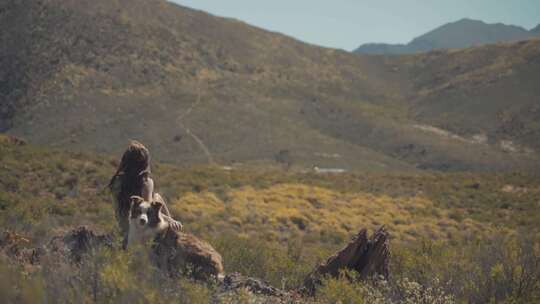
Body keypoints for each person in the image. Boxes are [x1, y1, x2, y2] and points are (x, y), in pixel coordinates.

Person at [109, 141, 182, 248]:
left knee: (157, 197)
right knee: (157, 199)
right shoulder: (146, 183)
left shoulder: (117, 182)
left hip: (123, 230)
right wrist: (170, 220)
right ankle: (170, 232)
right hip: (139, 233)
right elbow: (148, 212)